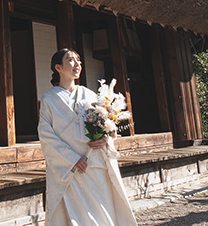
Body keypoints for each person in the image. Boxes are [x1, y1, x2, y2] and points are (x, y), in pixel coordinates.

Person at [38, 49, 137, 226]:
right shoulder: (49, 100)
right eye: (71, 60)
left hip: (94, 162)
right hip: (69, 168)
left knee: (102, 213)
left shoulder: (90, 95)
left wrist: (105, 139)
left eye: (79, 60)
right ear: (58, 67)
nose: (77, 64)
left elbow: (109, 129)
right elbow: (46, 135)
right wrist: (71, 159)